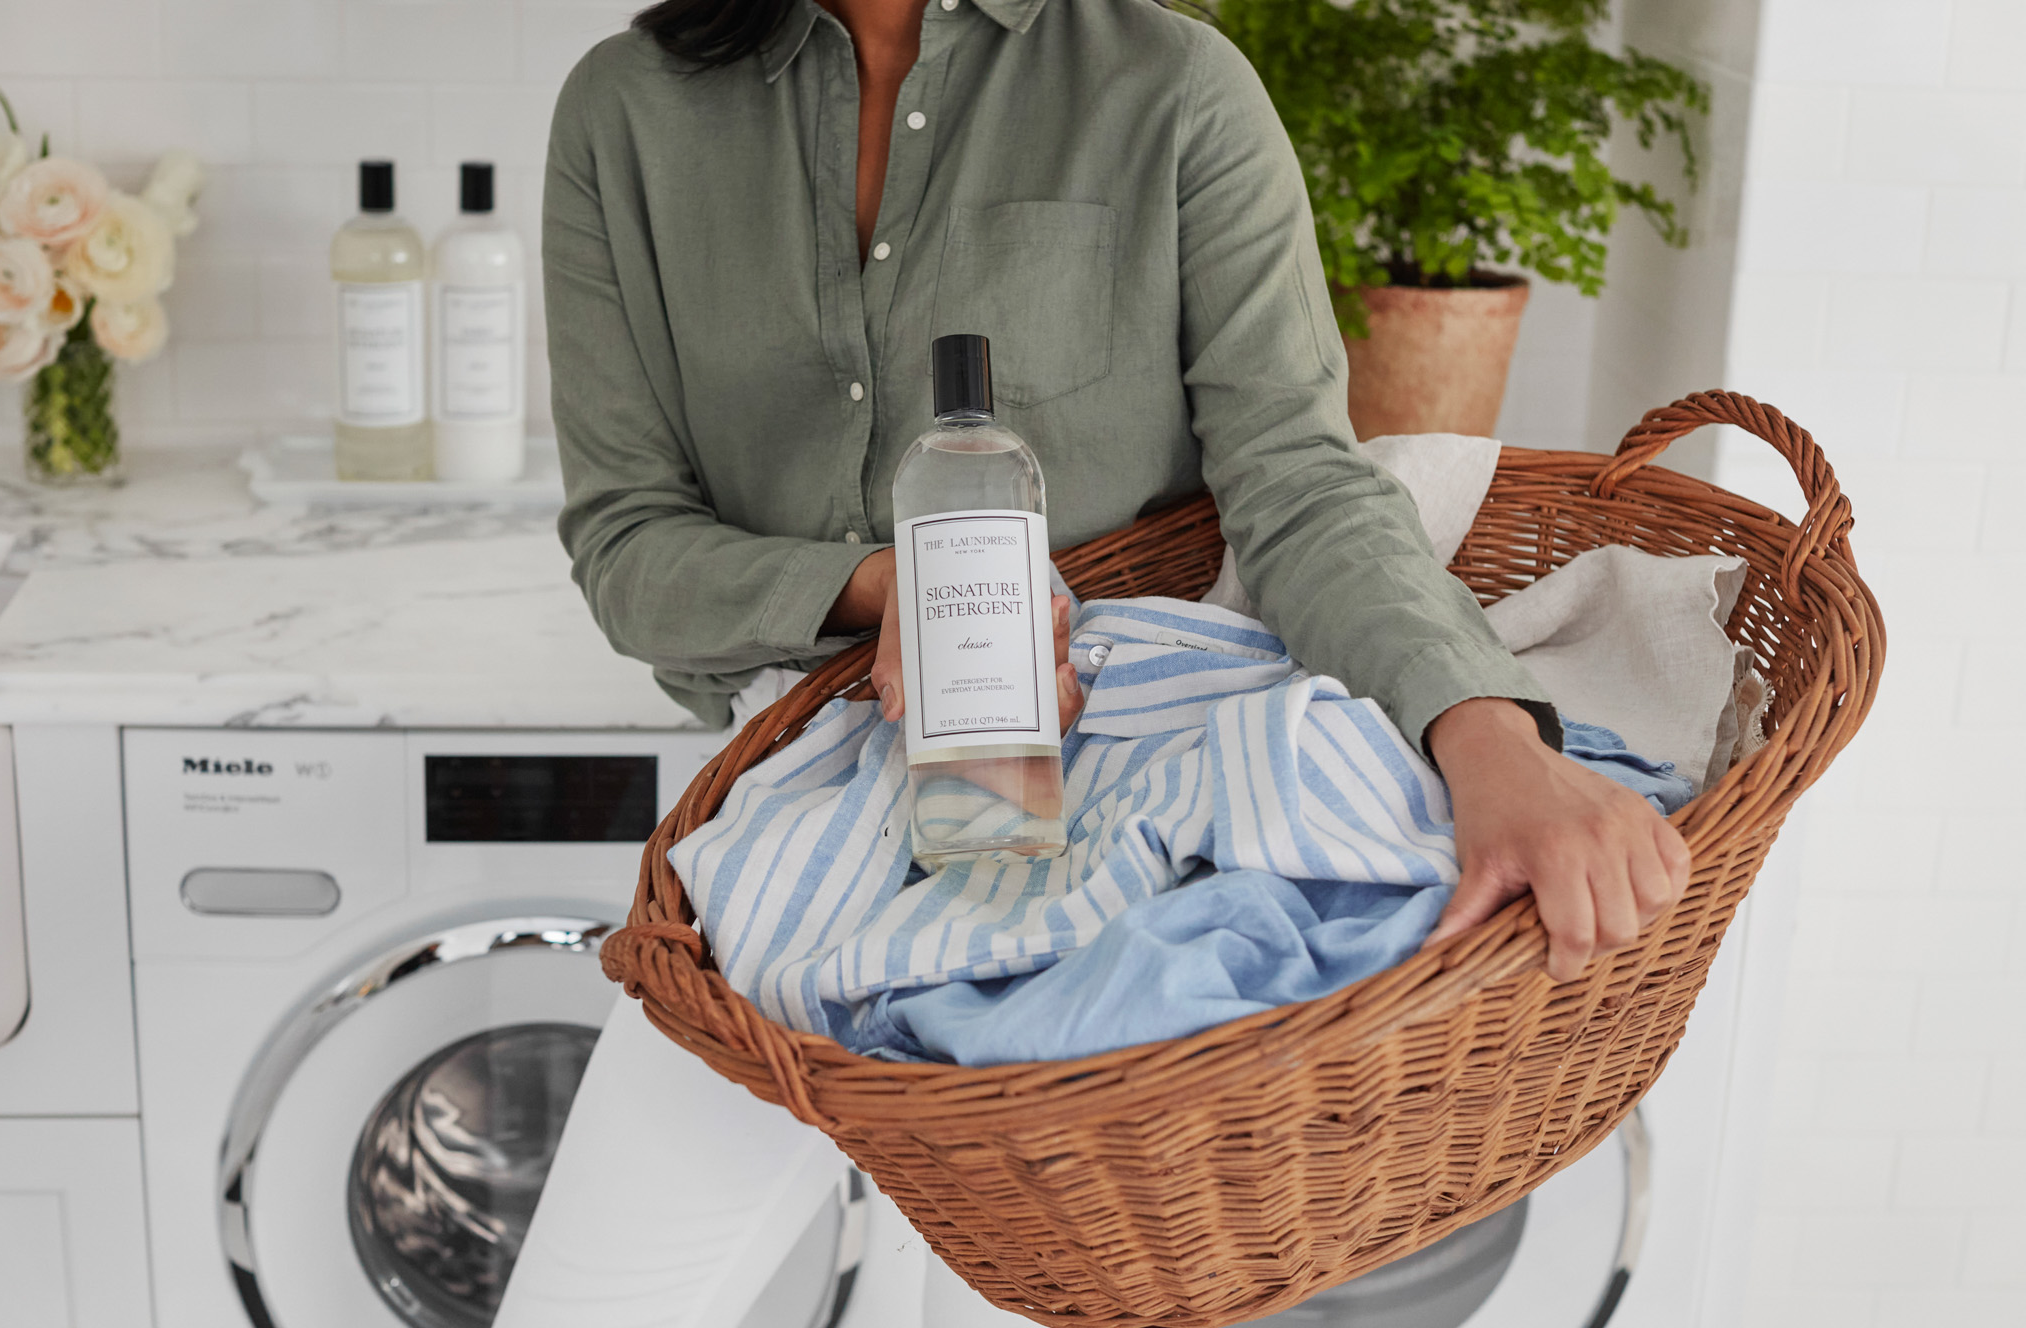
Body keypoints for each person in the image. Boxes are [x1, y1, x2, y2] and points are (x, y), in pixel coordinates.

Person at [542, 0, 1690, 982]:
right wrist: (878, 587)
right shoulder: (626, 112)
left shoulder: (1173, 85)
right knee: (628, 1245)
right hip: (780, 810)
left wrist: (1490, 741)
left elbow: (1295, 482)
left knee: (1029, 1227)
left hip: (1124, 778)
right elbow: (627, 545)